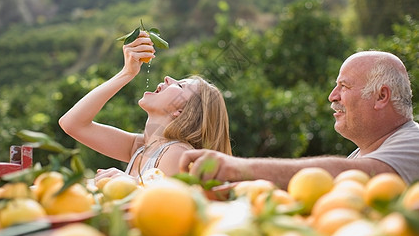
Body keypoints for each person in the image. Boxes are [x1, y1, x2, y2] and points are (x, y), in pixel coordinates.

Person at [179, 51, 419, 189]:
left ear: (381, 96)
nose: (332, 96)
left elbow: (349, 174)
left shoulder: (413, 142)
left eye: (343, 86)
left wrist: (238, 168)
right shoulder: (360, 155)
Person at [59, 31, 232, 183]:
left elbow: (167, 204)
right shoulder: (141, 148)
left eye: (179, 86)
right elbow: (72, 123)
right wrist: (127, 73)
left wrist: (129, 183)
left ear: (182, 112)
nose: (167, 78)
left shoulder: (176, 153)